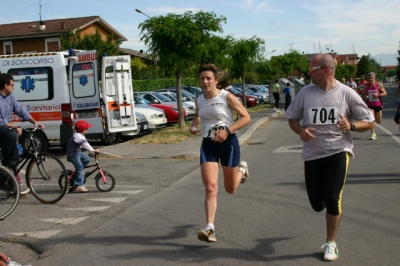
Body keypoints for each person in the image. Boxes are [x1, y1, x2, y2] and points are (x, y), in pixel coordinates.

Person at [285, 53, 374, 261]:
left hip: (338, 151)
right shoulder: (306, 93)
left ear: (326, 70)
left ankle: (331, 243)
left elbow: (369, 121)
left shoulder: (346, 93)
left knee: (333, 198)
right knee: (317, 203)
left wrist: (351, 125)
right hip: (313, 154)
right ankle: (325, 202)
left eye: (312, 69)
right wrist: (300, 131)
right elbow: (292, 118)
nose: (308, 72)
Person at [189, 63, 251, 243]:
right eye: (202, 78)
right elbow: (198, 116)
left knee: (230, 189)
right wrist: (194, 125)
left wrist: (227, 131)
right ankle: (210, 228)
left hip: (229, 144)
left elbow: (246, 117)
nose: (205, 81)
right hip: (208, 145)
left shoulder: (227, 97)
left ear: (217, 80)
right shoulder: (199, 99)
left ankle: (242, 169)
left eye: (209, 78)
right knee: (210, 187)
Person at [0, 73, 45, 199]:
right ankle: (8, 165)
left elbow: (20, 111)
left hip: (5, 128)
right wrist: (12, 126)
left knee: (14, 139)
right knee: (10, 134)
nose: (14, 87)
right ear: (5, 85)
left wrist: (34, 121)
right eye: (12, 85)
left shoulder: (10, 97)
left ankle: (12, 182)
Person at [66, 120, 100, 193]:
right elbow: (85, 145)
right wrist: (92, 150)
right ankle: (79, 186)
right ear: (83, 130)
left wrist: (92, 150)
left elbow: (86, 143)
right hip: (73, 155)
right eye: (87, 129)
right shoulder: (77, 136)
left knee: (87, 159)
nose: (87, 130)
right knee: (80, 167)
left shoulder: (81, 135)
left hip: (77, 153)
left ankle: (79, 173)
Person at [362, 72, 387, 140]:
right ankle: (373, 134)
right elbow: (363, 95)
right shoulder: (366, 86)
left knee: (378, 121)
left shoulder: (378, 85)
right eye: (369, 78)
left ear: (374, 78)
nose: (370, 79)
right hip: (370, 105)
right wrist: (365, 96)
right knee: (371, 119)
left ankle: (374, 123)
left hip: (378, 105)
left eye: (372, 78)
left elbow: (385, 93)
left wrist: (378, 95)